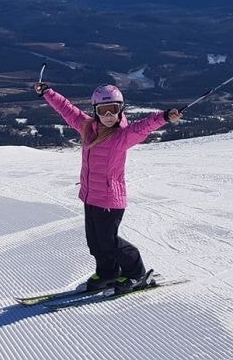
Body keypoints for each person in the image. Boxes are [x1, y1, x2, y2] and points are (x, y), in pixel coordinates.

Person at [34, 82, 182, 292]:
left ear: (121, 109)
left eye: (114, 109)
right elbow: (67, 110)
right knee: (95, 242)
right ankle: (108, 273)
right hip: (90, 196)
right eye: (104, 110)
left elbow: (144, 127)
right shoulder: (87, 128)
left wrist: (165, 116)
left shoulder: (122, 136)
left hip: (110, 199)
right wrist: (48, 93)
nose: (109, 115)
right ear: (96, 111)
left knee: (109, 242)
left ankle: (137, 272)